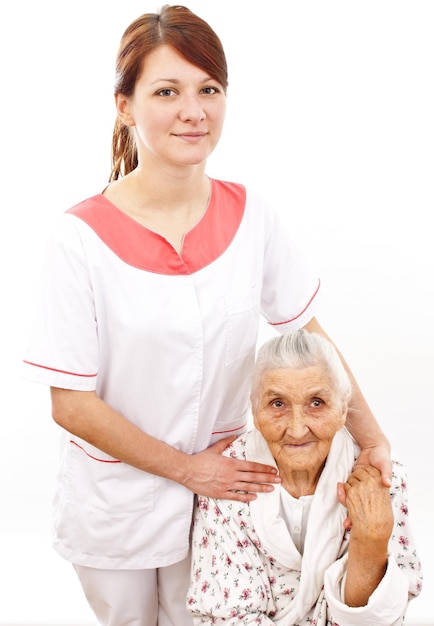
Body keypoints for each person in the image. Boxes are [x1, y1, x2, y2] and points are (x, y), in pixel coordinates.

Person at [23, 5, 393, 626]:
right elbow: (71, 404)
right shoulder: (78, 238)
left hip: (232, 492)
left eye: (209, 90)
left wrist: (375, 442)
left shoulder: (252, 215)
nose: (193, 111)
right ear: (124, 104)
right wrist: (188, 471)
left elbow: (311, 338)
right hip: (122, 502)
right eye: (166, 91)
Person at [187, 329, 423, 624]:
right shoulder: (226, 475)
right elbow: (226, 615)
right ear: (254, 408)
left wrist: (371, 540)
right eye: (277, 404)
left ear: (343, 408)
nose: (297, 429)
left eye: (316, 403)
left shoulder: (381, 477)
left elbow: (383, 615)